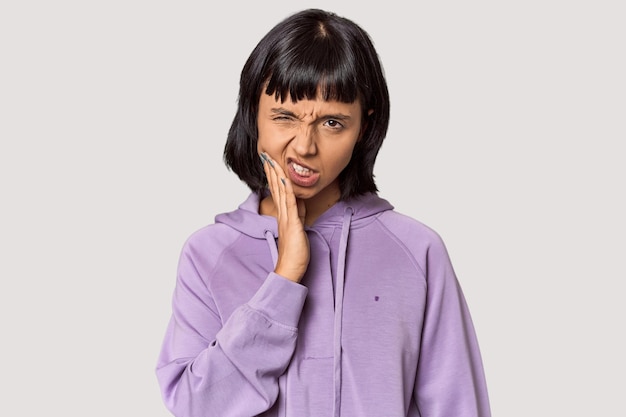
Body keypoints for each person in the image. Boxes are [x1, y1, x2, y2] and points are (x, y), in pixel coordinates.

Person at [156, 8, 491, 417]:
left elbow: (458, 407)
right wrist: (284, 278)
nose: (304, 147)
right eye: (284, 117)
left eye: (332, 122)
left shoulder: (416, 252)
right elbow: (197, 406)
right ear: (253, 115)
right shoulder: (208, 254)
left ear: (363, 128)